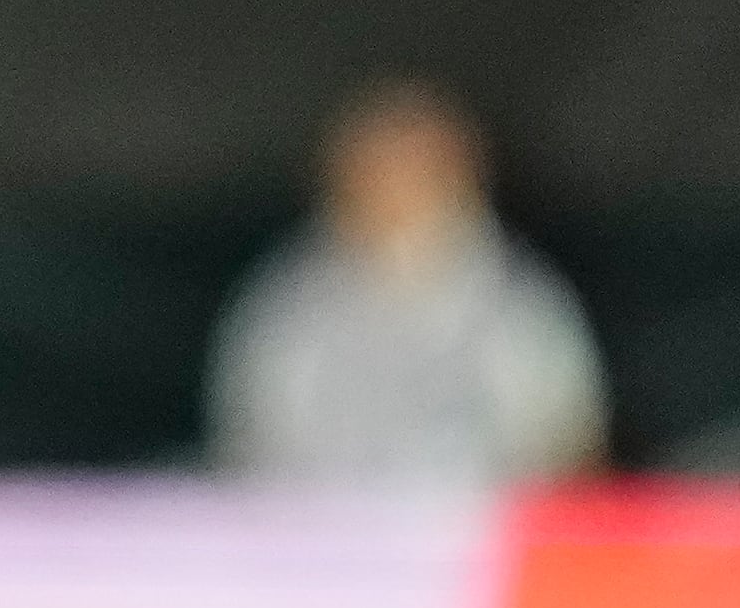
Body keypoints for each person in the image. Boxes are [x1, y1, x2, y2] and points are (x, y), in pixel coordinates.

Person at [207, 78, 603, 484]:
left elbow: (569, 462)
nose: (394, 187)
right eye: (375, 170)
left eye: (417, 169)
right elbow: (249, 456)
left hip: (477, 538)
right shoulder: (287, 305)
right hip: (320, 539)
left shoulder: (523, 306)